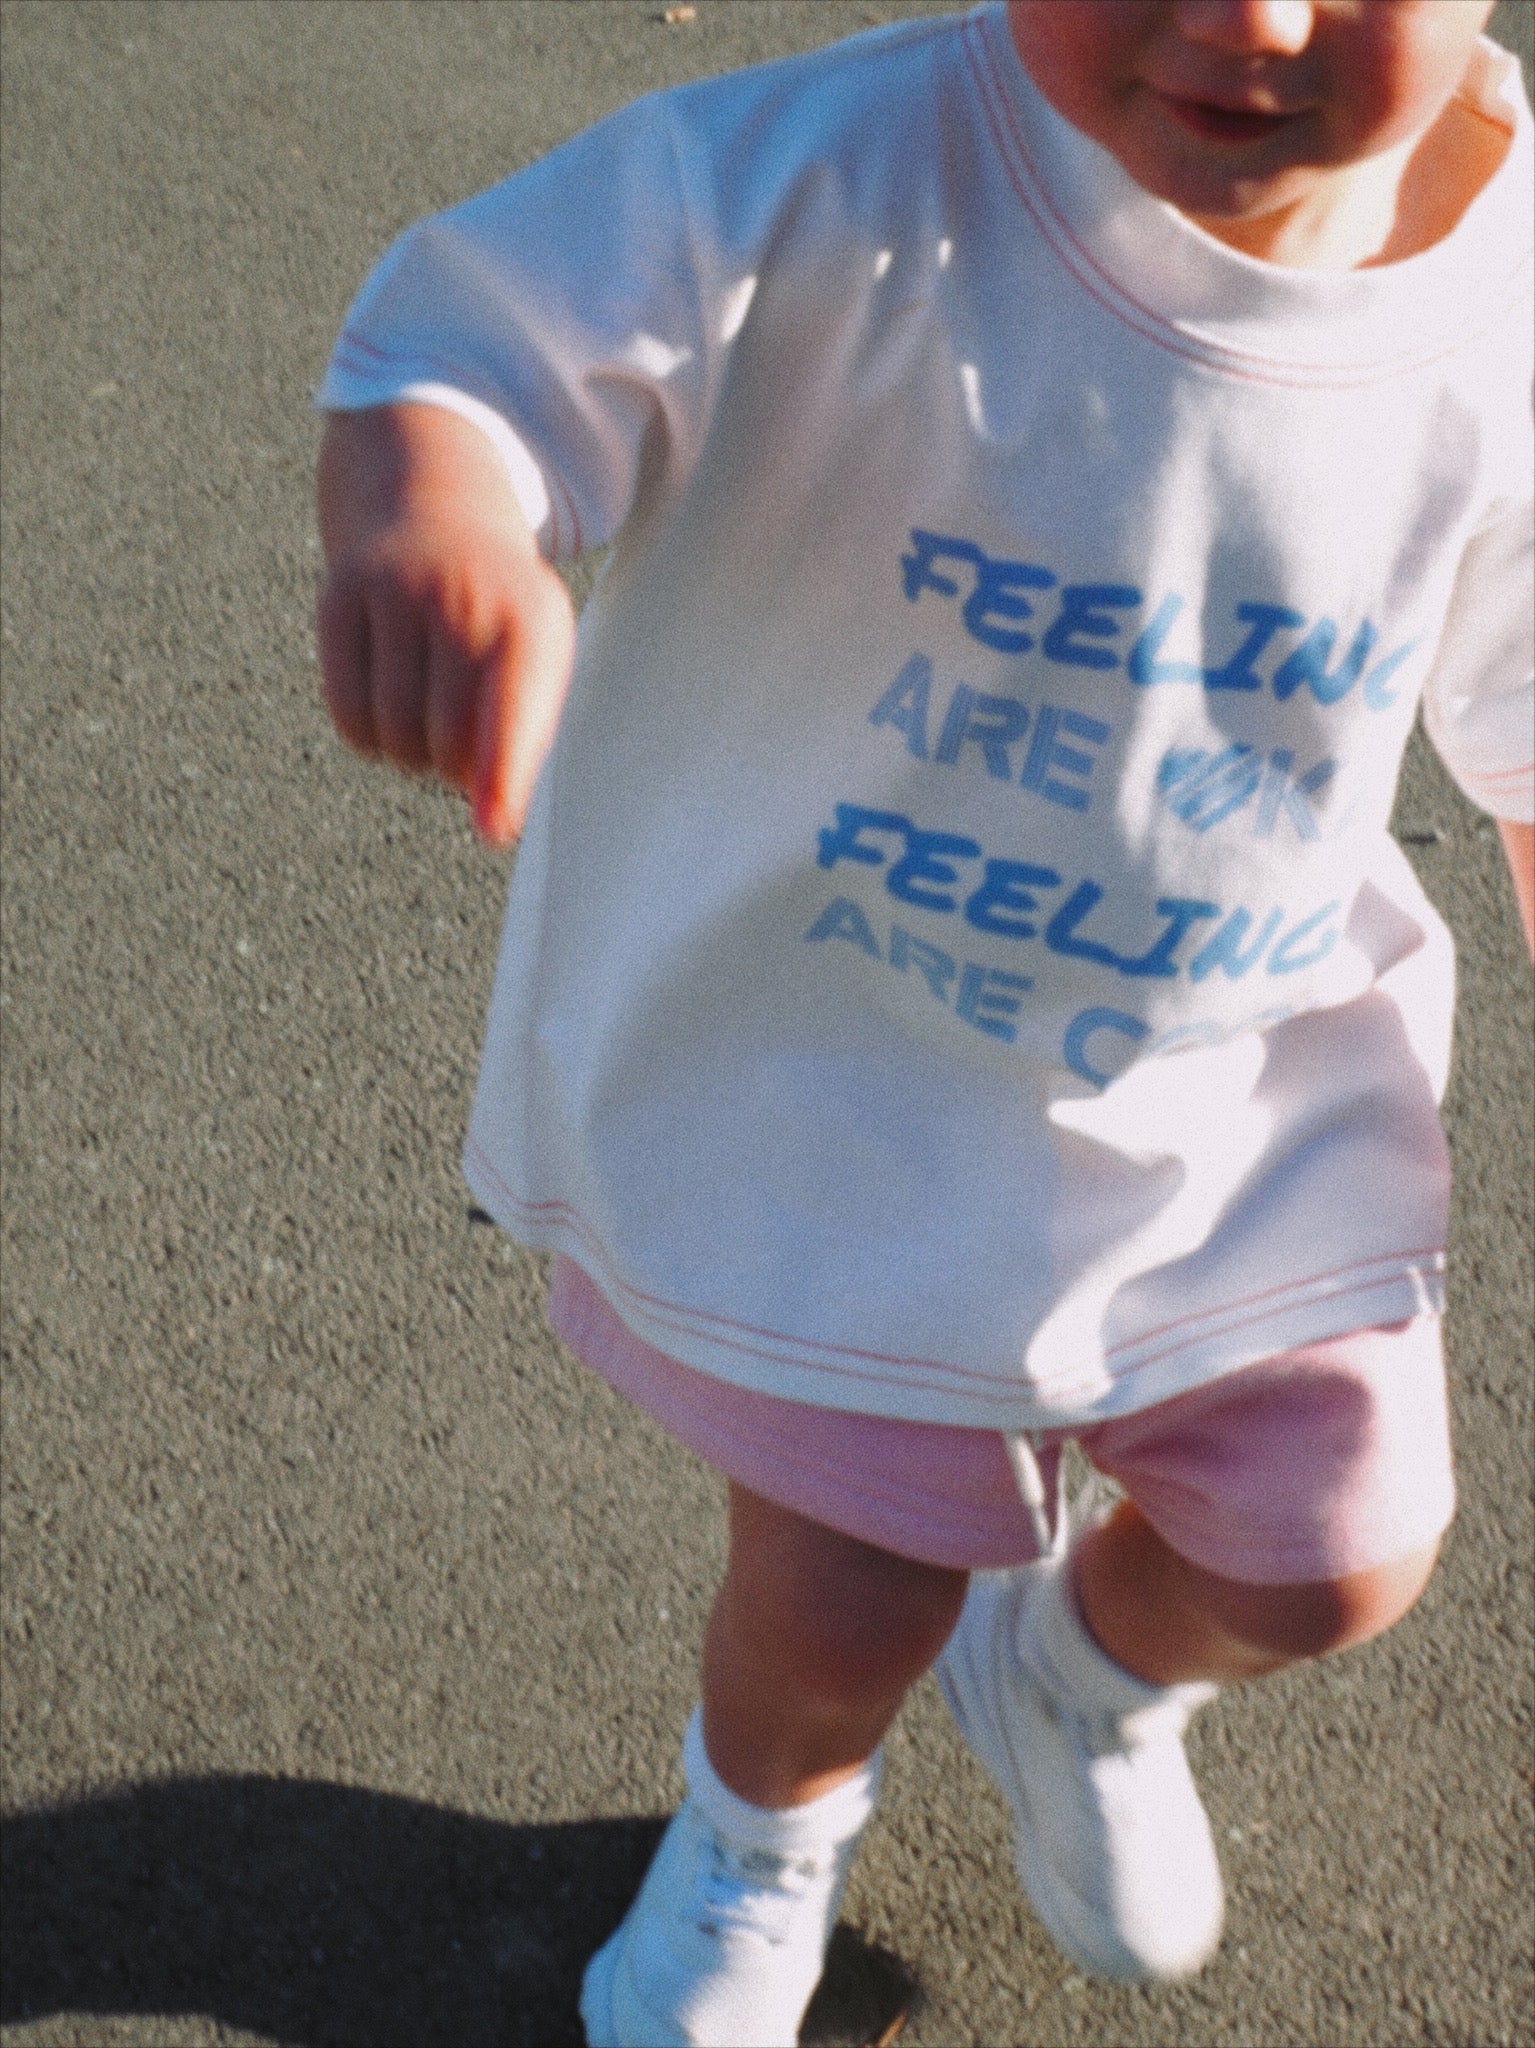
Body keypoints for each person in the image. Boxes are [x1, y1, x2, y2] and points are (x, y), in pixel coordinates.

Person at [314, 3, 1534, 2041]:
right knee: (839, 1599)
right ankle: (759, 1834)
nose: (1246, 21)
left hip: (1241, 1092)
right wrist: (440, 516)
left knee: (1337, 1555)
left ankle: (1078, 1669)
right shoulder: (836, 180)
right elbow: (474, 338)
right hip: (851, 1076)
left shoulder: (1504, 300)